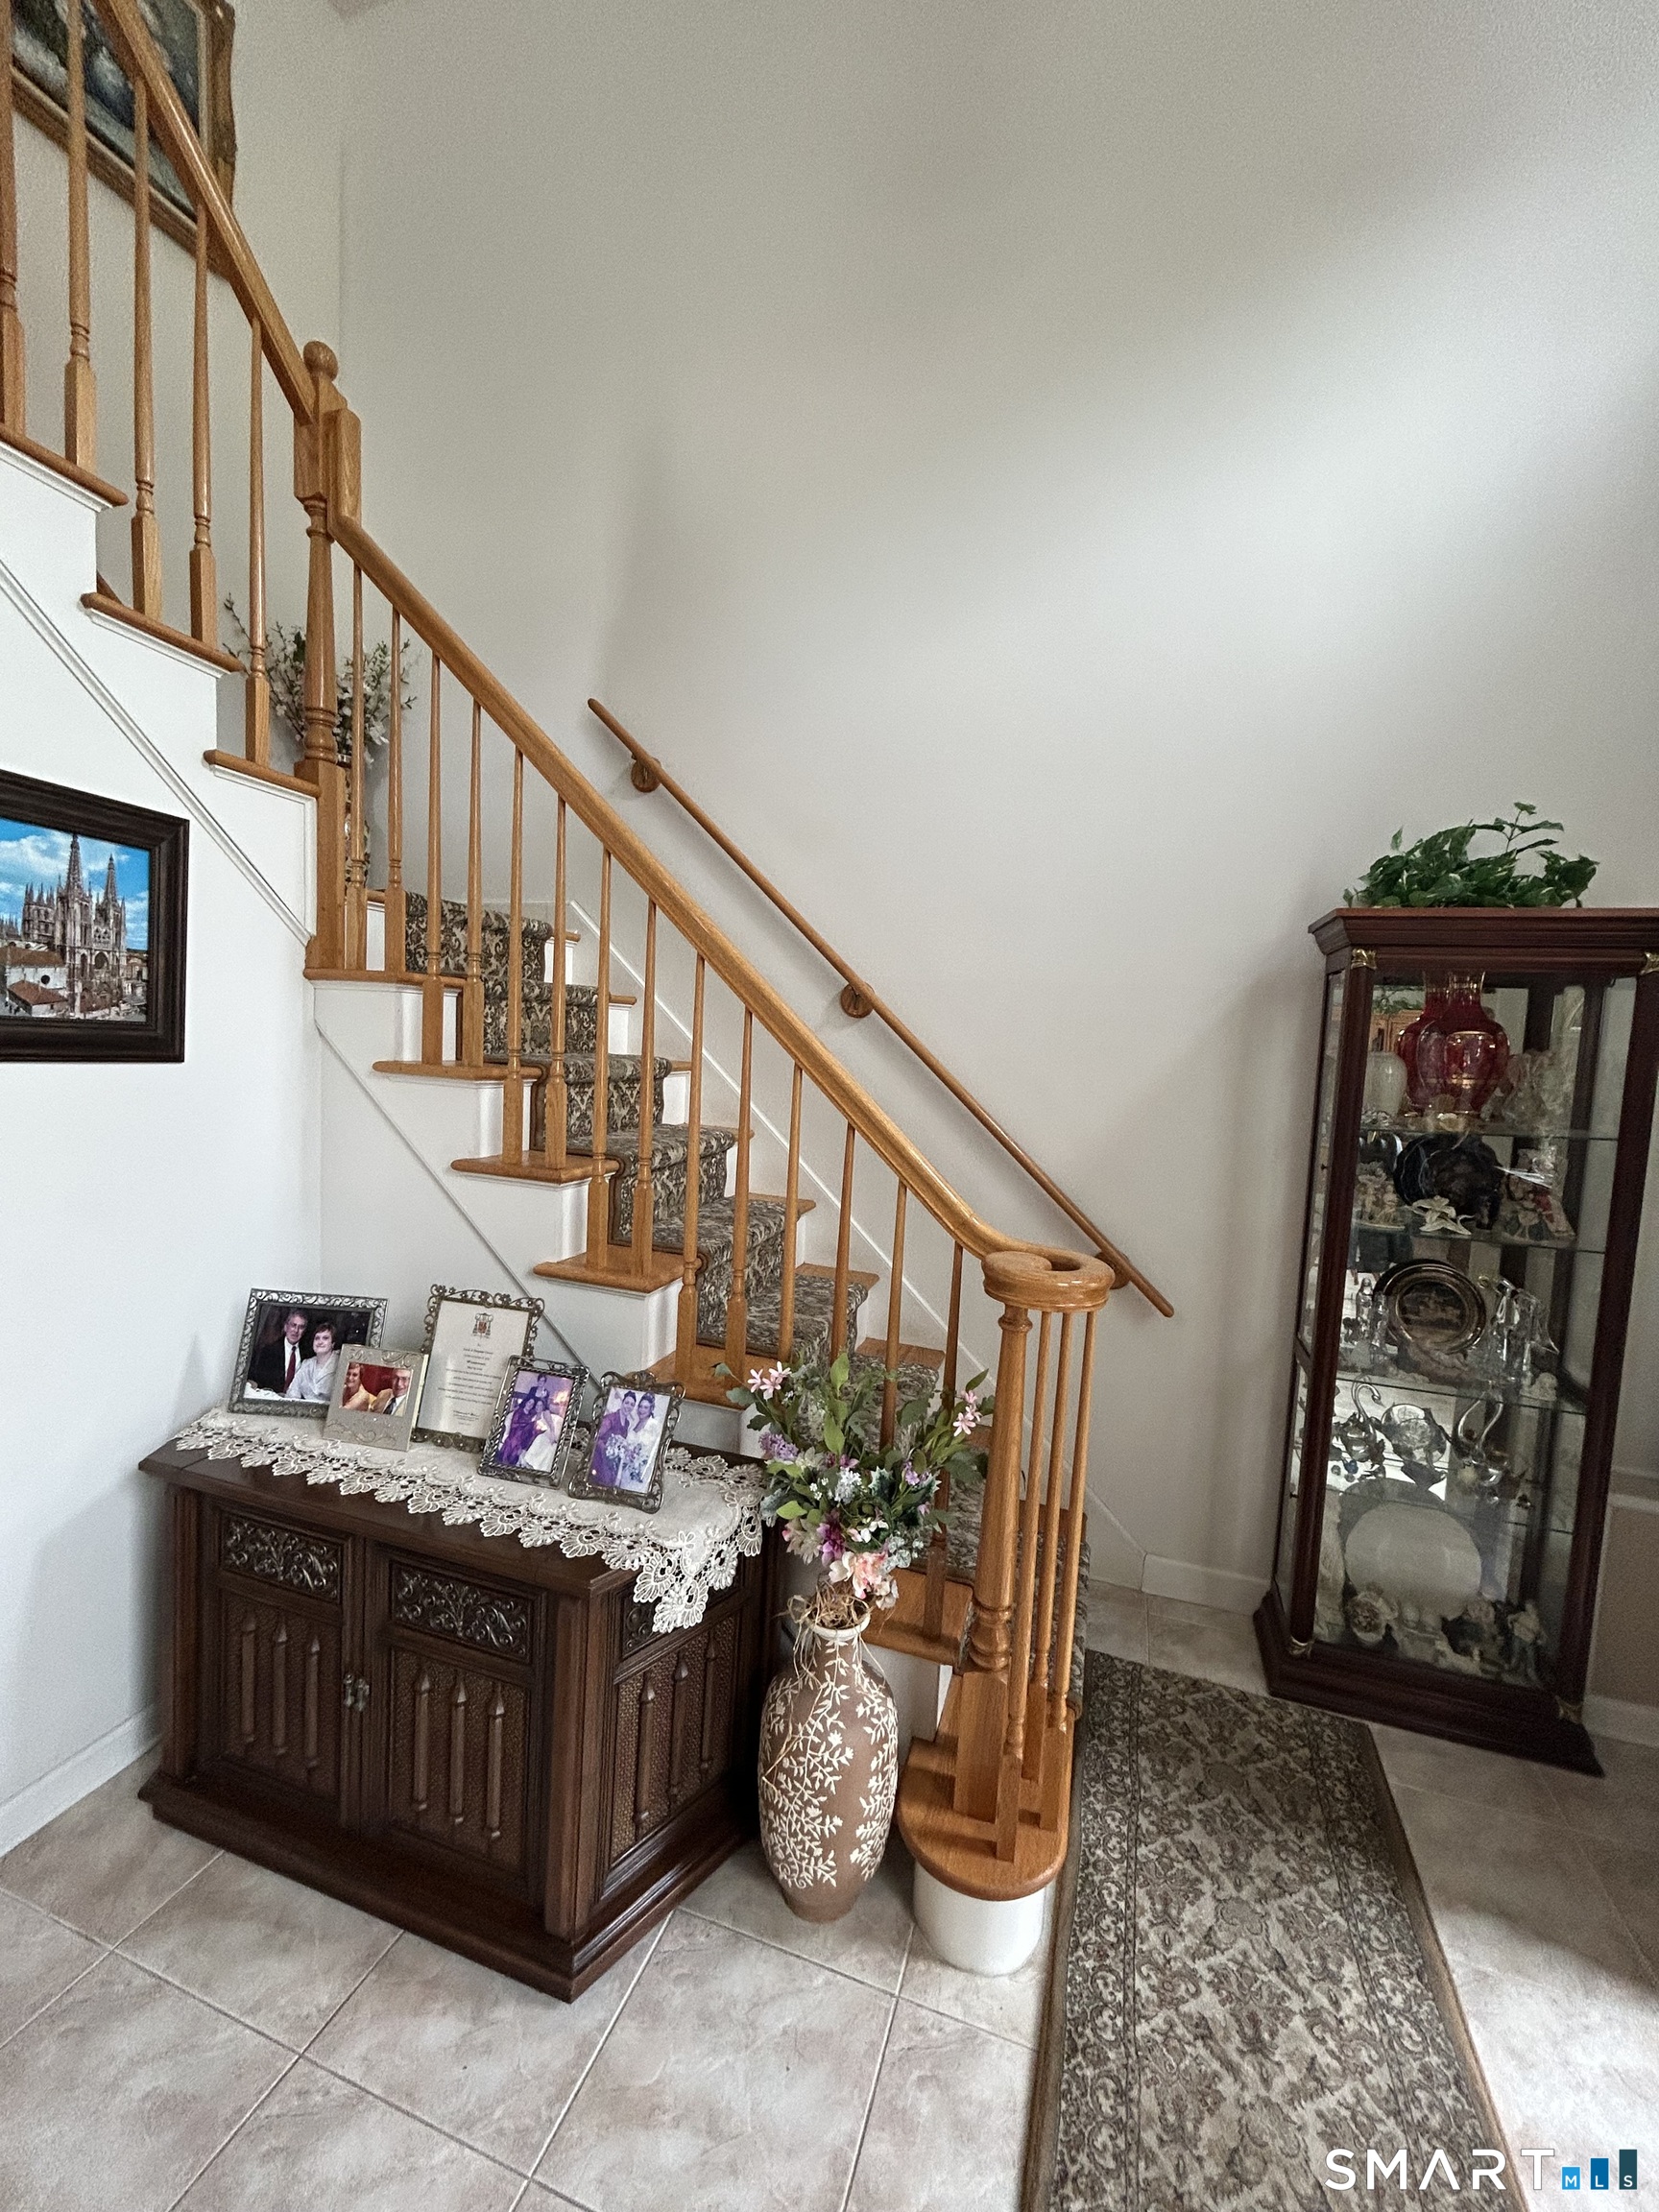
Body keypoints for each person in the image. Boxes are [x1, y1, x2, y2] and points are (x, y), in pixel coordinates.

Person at [250, 1308, 309, 1396]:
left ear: (304, 1331)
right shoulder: (268, 1351)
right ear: (286, 1327)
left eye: (301, 1327)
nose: (296, 1330)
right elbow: (261, 1382)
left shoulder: (308, 1354)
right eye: (293, 1325)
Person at [286, 1323, 341, 1404]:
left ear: (333, 1343)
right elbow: (292, 1392)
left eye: (325, 1338)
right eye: (317, 1338)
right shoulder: (306, 1364)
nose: (320, 1342)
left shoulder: (340, 1364)